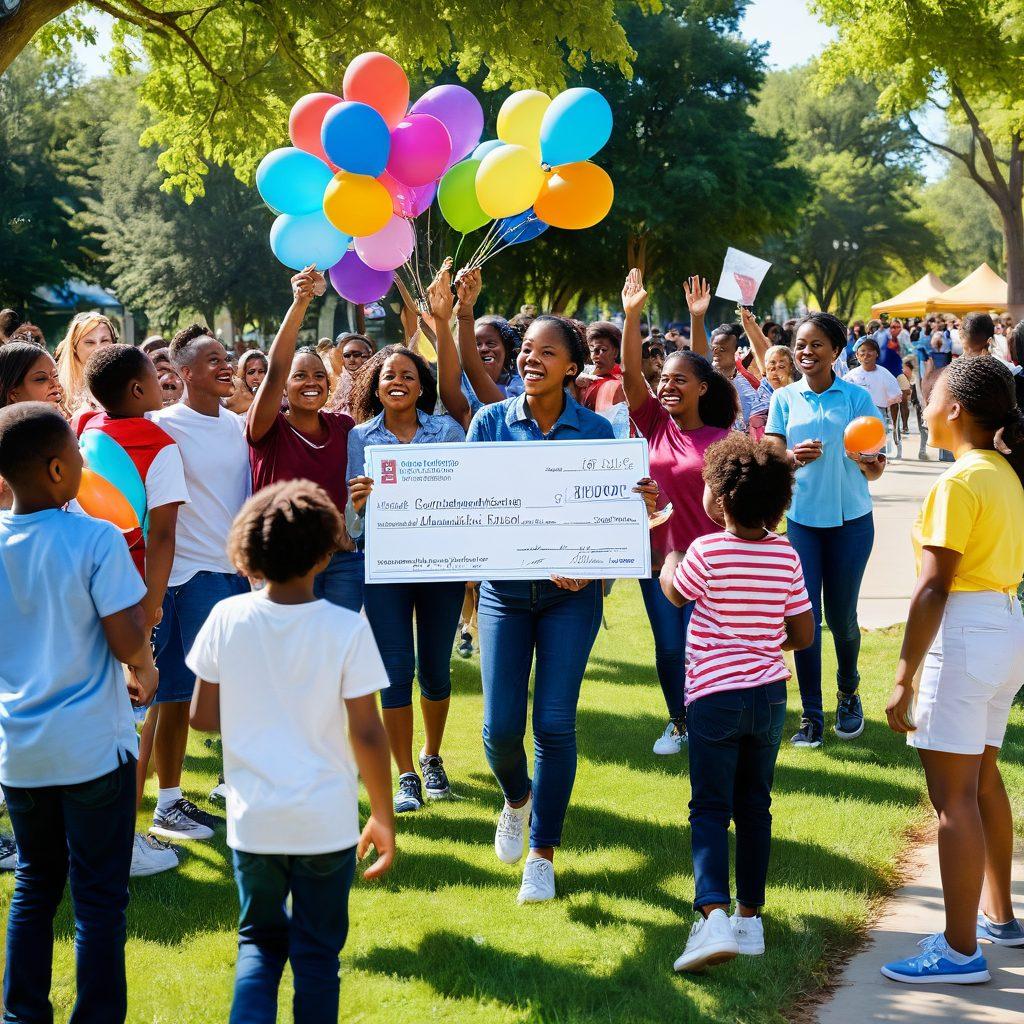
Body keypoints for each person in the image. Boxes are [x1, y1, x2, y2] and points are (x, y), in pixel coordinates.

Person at [466, 304, 653, 905]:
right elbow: (469, 507)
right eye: (527, 351)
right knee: (498, 731)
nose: (530, 359)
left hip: (570, 600)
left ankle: (543, 852)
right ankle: (517, 799)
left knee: (552, 722)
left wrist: (601, 549)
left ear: (573, 367)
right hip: (502, 593)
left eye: (548, 352)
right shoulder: (490, 424)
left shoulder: (598, 433)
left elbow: (615, 520)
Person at [188, 479, 394, 1024]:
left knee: (257, 945)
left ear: (248, 550)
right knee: (318, 958)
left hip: (252, 821)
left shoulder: (225, 619)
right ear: (328, 552)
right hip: (324, 824)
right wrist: (382, 814)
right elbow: (369, 733)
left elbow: (202, 718)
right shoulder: (346, 629)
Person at [0, 403, 158, 1023]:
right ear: (61, 468)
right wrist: (144, 667)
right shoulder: (94, 535)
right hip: (93, 747)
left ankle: (20, 1015)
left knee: (35, 886)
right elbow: (127, 639)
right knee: (98, 900)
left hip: (20, 748)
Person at [882, 356, 1024, 984]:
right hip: (1005, 629)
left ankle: (960, 951)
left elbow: (932, 588)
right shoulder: (1004, 474)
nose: (927, 400)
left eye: (933, 393)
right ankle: (999, 916)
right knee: (984, 775)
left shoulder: (960, 480)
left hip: (963, 635)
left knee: (953, 799)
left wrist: (904, 674)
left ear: (957, 408)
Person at [660, 432, 813, 972]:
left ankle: (712, 915)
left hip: (715, 699)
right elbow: (802, 633)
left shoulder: (705, 550)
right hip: (769, 698)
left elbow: (676, 592)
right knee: (754, 806)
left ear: (720, 497)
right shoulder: (786, 553)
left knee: (709, 807)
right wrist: (764, 638)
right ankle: (751, 920)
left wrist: (669, 557)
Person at [346, 314, 467, 813]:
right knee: (395, 670)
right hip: (385, 571)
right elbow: (351, 528)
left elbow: (467, 498)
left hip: (440, 570)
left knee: (436, 670)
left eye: (408, 375)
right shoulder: (359, 439)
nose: (398, 381)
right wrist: (357, 507)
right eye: (389, 375)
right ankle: (406, 774)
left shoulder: (449, 431)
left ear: (423, 387)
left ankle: (432, 756)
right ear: (376, 385)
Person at [78, 344, 191, 878]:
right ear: (141, 392)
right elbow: (164, 533)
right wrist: (151, 605)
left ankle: (93, 834)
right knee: (130, 718)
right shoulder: (160, 445)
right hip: (130, 598)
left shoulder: (87, 434)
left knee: (97, 716)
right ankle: (121, 840)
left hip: (82, 592)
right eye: (155, 376)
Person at [621, 268, 736, 754]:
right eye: (662, 379)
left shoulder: (723, 438)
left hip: (710, 560)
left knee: (702, 645)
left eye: (678, 381)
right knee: (669, 648)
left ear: (702, 388)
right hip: (658, 559)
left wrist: (698, 322)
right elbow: (630, 375)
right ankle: (679, 721)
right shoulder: (651, 423)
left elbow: (701, 366)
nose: (667, 387)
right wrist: (631, 316)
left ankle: (708, 719)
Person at [147, 324, 251, 838]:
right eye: (213, 359)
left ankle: (203, 795)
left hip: (232, 574)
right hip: (190, 578)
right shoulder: (160, 423)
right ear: (184, 373)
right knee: (174, 696)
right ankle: (165, 802)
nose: (225, 363)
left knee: (202, 694)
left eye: (226, 355)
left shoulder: (236, 424)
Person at [764, 312, 886, 747]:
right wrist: (792, 456)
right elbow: (772, 454)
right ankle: (812, 713)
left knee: (842, 618)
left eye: (817, 344)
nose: (806, 352)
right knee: (805, 620)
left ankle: (849, 692)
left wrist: (865, 460)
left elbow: (875, 469)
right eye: (800, 344)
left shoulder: (855, 398)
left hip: (852, 523)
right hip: (802, 525)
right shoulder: (784, 399)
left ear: (836, 351)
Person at [248, 268, 363, 613]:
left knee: (336, 652)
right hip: (286, 561)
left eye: (318, 375)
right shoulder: (267, 428)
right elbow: (276, 367)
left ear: (329, 385)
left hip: (341, 561)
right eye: (299, 376)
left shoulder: (343, 426)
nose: (310, 382)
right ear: (284, 385)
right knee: (291, 654)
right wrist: (300, 303)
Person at [683, 277, 758, 428]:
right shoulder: (706, 379)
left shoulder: (749, 383)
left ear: (736, 352)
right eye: (714, 348)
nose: (716, 352)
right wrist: (697, 317)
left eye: (723, 349)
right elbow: (698, 356)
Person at [846, 338, 905, 458]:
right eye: (862, 351)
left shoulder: (885, 375)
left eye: (870, 351)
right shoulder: (850, 376)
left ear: (876, 353)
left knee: (876, 450)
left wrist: (895, 426)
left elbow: (895, 401)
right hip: (856, 417)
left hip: (878, 415)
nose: (866, 355)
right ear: (857, 355)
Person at [54, 311, 118, 416]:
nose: (98, 348)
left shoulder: (125, 383)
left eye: (105, 340)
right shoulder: (58, 390)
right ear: (74, 347)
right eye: (89, 342)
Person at [748, 345, 797, 440]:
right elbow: (756, 423)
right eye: (772, 367)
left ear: (791, 367)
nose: (776, 372)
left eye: (781, 367)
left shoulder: (797, 391)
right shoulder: (763, 396)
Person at [579, 321, 627, 417]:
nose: (594, 356)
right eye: (592, 350)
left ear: (616, 352)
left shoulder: (620, 382)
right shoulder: (583, 376)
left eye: (602, 350)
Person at [325, 333, 374, 417]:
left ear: (368, 356)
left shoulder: (376, 376)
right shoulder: (337, 377)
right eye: (347, 356)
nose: (351, 359)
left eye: (356, 355)